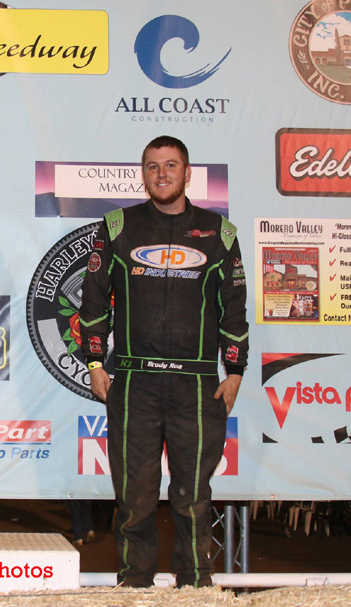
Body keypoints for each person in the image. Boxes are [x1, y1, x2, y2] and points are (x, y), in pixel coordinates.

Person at [79, 136, 248, 588]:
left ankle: (195, 583)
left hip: (198, 385)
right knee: (134, 495)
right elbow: (93, 301)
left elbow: (234, 307)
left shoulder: (220, 232)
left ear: (187, 173)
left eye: (171, 165)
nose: (162, 174)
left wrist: (235, 371)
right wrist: (95, 363)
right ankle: (134, 583)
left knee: (193, 495)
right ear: (143, 174)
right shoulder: (118, 226)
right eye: (153, 166)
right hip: (134, 382)